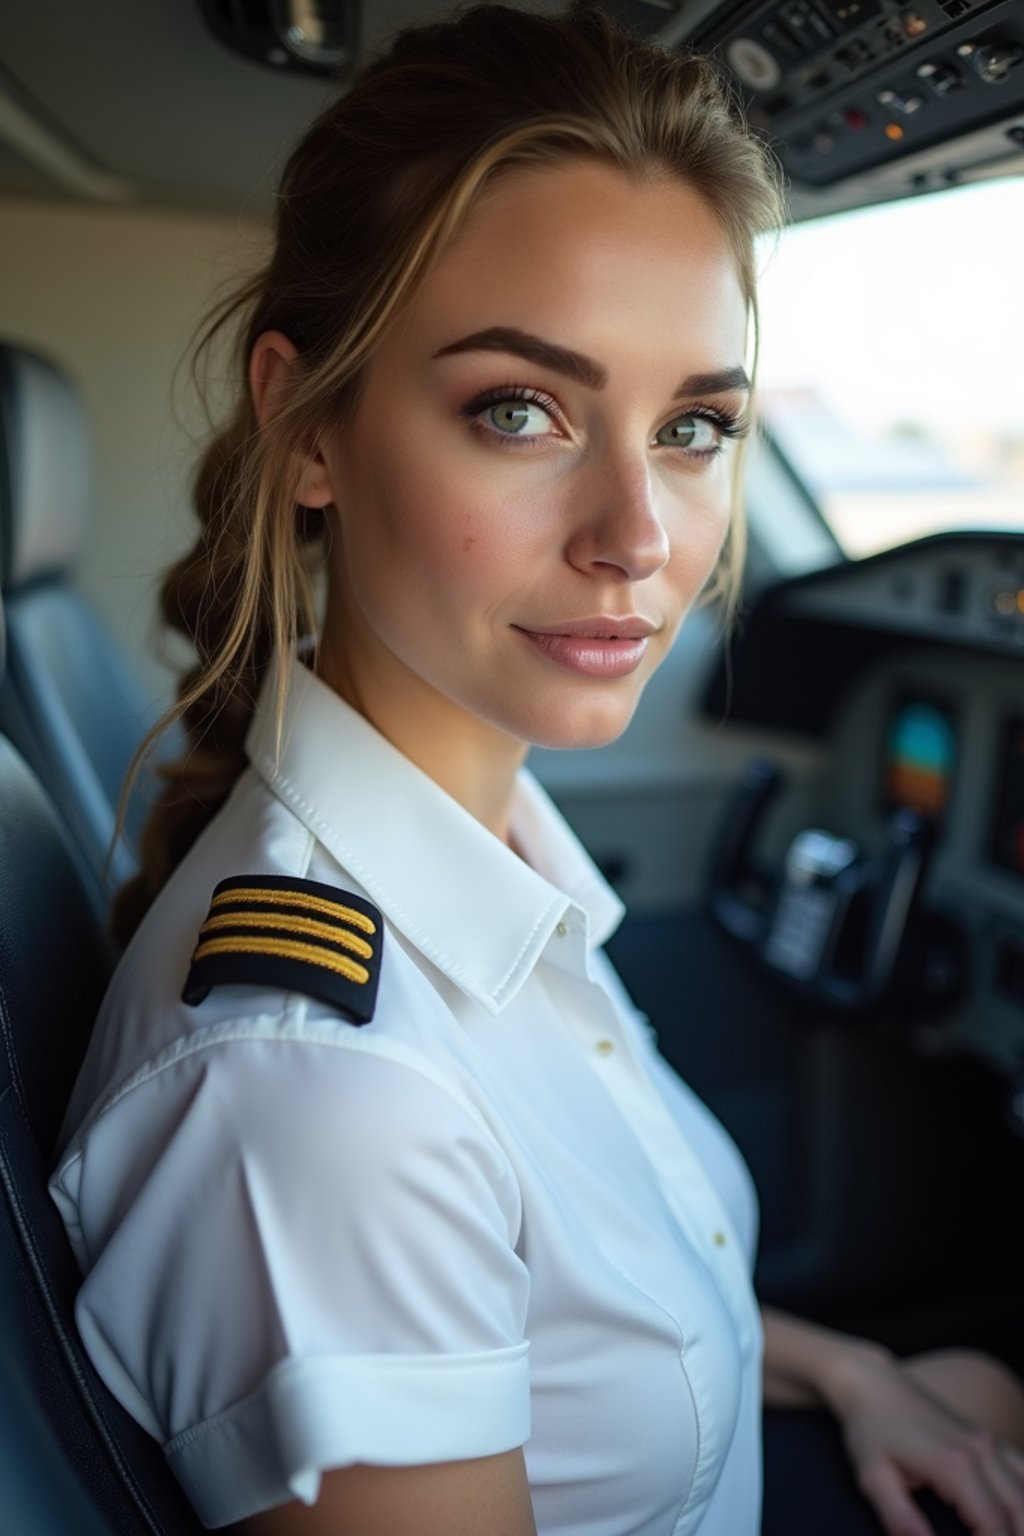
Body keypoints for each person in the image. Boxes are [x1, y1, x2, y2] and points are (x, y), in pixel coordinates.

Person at [48, 5, 1024, 1534]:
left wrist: (845, 1373)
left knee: (975, 1380)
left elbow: (579, 1319)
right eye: (522, 411)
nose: (638, 536)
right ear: (307, 424)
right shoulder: (326, 1098)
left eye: (696, 426)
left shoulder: (485, 846)